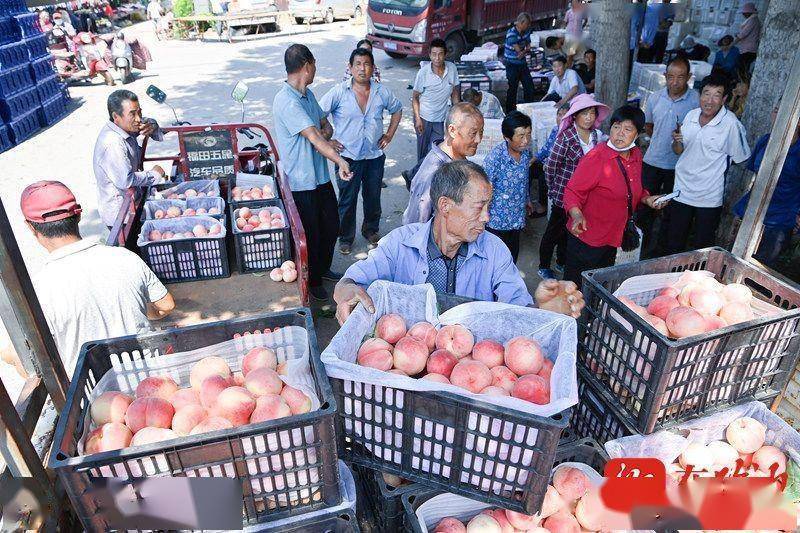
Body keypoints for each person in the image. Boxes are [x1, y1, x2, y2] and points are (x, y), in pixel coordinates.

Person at [333, 160, 585, 324]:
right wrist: (346, 292)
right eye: (479, 207)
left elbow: (518, 312)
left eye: (488, 206)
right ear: (445, 205)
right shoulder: (399, 244)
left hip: (472, 368)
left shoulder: (494, 250)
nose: (487, 217)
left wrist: (543, 310)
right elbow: (349, 281)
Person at [21, 181, 175, 378]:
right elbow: (166, 305)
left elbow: (21, 360)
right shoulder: (125, 258)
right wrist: (138, 310)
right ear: (78, 215)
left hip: (93, 392)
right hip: (148, 380)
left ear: (31, 228)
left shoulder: (39, 289)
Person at [272, 44, 353, 301]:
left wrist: (323, 138)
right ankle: (314, 280)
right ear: (307, 66)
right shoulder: (286, 100)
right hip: (301, 182)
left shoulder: (308, 96)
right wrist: (339, 160)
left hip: (319, 177)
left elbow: (324, 128)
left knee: (331, 226)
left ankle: (323, 269)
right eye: (315, 64)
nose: (315, 69)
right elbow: (316, 137)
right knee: (312, 234)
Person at [563, 106, 667, 286]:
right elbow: (572, 191)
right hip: (588, 236)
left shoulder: (635, 155)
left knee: (598, 284)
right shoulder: (596, 157)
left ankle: (592, 312)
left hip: (613, 235)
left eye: (628, 129)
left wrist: (647, 198)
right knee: (575, 286)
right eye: (616, 127)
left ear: (637, 134)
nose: (620, 134)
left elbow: (633, 187)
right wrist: (577, 214)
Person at [320, 47, 402, 255]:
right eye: (358, 64)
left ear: (373, 68)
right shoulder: (339, 92)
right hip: (348, 157)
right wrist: (328, 140)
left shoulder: (381, 91)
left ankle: (370, 230)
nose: (362, 68)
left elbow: (397, 109)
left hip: (374, 156)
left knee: (372, 196)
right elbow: (317, 115)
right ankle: (345, 237)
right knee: (347, 199)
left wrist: (389, 135)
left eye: (366, 64)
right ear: (350, 67)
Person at [663, 73, 751, 255]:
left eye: (716, 95)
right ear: (700, 95)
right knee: (673, 243)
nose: (709, 100)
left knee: (702, 248)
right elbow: (678, 150)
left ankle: (696, 281)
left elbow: (741, 158)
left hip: (709, 197)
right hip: (682, 190)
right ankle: (670, 280)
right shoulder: (691, 116)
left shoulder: (731, 125)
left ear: (724, 99)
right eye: (706, 93)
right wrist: (677, 141)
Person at [539, 94, 608, 280]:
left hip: (584, 196)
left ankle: (562, 260)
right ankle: (544, 265)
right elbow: (551, 165)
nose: (589, 117)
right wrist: (554, 189)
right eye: (584, 113)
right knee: (554, 230)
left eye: (592, 113)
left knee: (570, 231)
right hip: (563, 193)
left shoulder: (594, 135)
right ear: (575, 115)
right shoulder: (566, 137)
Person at [637, 56, 699, 258]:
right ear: (665, 76)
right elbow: (648, 125)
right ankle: (640, 248)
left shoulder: (696, 100)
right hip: (653, 161)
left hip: (679, 166)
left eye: (680, 77)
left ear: (689, 77)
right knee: (645, 207)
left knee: (671, 211)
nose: (675, 82)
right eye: (670, 77)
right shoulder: (655, 97)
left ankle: (662, 251)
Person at [734, 101, 800, 268]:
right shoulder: (765, 141)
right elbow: (755, 176)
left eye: (785, 112)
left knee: (761, 269)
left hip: (780, 219)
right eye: (776, 110)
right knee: (736, 260)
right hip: (751, 212)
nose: (778, 116)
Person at [93, 90, 166, 229]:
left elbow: (153, 128)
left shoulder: (125, 126)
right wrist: (154, 174)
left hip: (134, 203)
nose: (138, 119)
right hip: (122, 217)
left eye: (139, 112)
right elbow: (125, 181)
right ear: (116, 116)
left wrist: (152, 125)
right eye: (133, 114)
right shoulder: (112, 142)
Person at [403, 103, 484, 225]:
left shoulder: (457, 158)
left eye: (481, 132)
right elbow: (416, 224)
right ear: (452, 130)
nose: (478, 139)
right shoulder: (432, 173)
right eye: (473, 133)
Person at [483, 111, 534, 262]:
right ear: (507, 137)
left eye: (528, 134)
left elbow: (524, 180)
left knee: (512, 258)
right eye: (521, 136)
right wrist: (483, 214)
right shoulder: (494, 158)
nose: (526, 140)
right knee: (495, 261)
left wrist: (527, 200)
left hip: (516, 218)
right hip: (496, 222)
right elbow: (485, 189)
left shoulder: (524, 154)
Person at [407, 38, 459, 181]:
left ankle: (412, 175)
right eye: (434, 54)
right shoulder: (423, 73)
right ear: (429, 55)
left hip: (440, 119)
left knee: (438, 152)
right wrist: (417, 119)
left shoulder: (452, 69)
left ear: (445, 54)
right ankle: (417, 180)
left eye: (440, 54)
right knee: (423, 152)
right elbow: (415, 97)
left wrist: (458, 113)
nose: (437, 58)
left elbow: (455, 93)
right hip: (423, 118)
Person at [530, 103, 570, 217]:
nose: (561, 118)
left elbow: (563, 158)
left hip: (559, 168)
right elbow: (546, 148)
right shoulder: (555, 130)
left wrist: (547, 164)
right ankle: (525, 200)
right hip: (548, 162)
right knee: (528, 168)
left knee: (544, 175)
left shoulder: (569, 135)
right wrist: (533, 159)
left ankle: (543, 206)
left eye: (564, 115)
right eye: (559, 115)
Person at [504, 13, 534, 111]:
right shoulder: (511, 34)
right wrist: (526, 50)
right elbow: (520, 53)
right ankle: (510, 111)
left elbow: (528, 45)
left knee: (529, 86)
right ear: (521, 23)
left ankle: (529, 109)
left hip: (522, 64)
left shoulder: (527, 31)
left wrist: (525, 50)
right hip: (512, 65)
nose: (528, 26)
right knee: (512, 88)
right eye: (527, 24)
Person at [734, 2, 761, 76]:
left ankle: (744, 83)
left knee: (742, 68)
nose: (743, 14)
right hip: (747, 48)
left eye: (744, 13)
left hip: (749, 49)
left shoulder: (753, 20)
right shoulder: (752, 20)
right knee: (743, 67)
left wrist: (732, 44)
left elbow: (743, 34)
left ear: (748, 12)